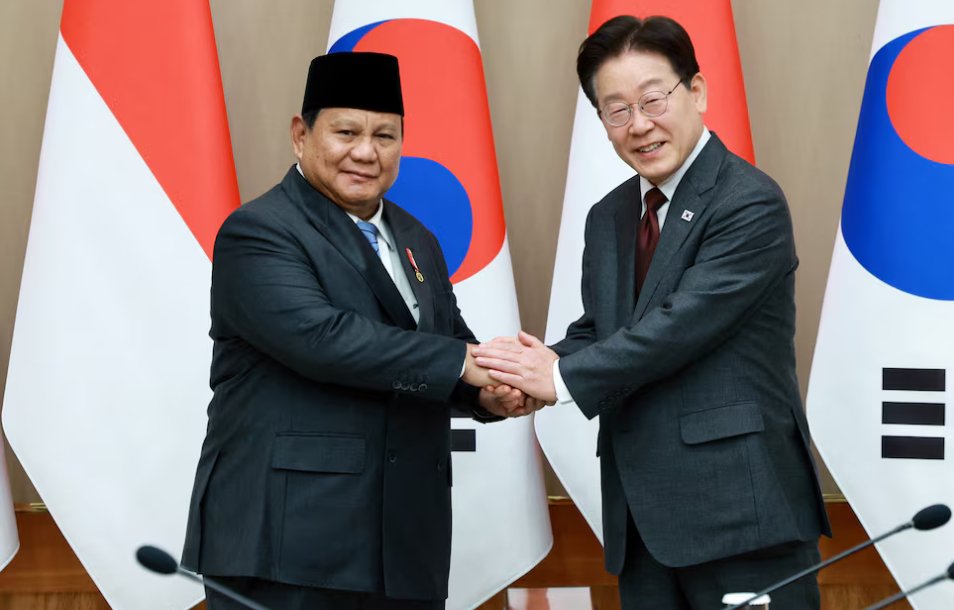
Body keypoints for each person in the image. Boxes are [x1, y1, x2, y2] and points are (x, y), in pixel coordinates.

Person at [474, 16, 831, 609]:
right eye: (617, 110)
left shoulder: (749, 201)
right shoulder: (610, 215)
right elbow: (605, 329)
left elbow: (679, 326)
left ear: (696, 93)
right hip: (642, 522)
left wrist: (556, 379)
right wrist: (516, 374)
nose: (639, 125)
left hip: (741, 516)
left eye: (653, 100)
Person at [181, 51, 534, 610]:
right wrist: (460, 364)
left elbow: (448, 341)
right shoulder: (259, 232)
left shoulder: (417, 237)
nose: (366, 152)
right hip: (289, 543)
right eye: (346, 132)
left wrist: (489, 390)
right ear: (301, 135)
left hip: (404, 545)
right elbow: (323, 339)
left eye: (385, 136)